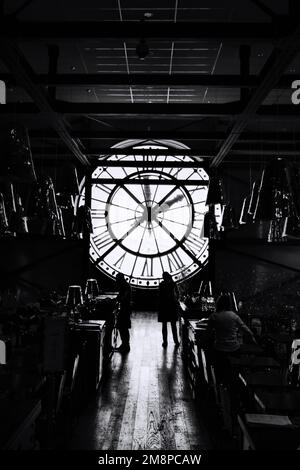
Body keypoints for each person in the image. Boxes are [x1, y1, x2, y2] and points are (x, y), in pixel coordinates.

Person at [206, 294, 256, 385]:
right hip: (233, 349)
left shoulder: (214, 316)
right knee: (233, 373)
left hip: (219, 350)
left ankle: (217, 386)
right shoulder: (234, 316)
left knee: (218, 369)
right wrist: (253, 339)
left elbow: (207, 334)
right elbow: (246, 330)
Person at [158, 272, 180, 348]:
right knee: (173, 325)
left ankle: (165, 341)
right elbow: (177, 294)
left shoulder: (161, 285)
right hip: (172, 307)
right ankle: (176, 341)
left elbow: (160, 296)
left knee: (164, 326)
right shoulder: (173, 284)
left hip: (164, 307)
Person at [115, 273, 132, 353]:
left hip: (124, 310)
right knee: (124, 328)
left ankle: (125, 345)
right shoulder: (127, 286)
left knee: (122, 328)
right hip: (126, 309)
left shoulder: (124, 287)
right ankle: (125, 344)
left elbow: (122, 298)